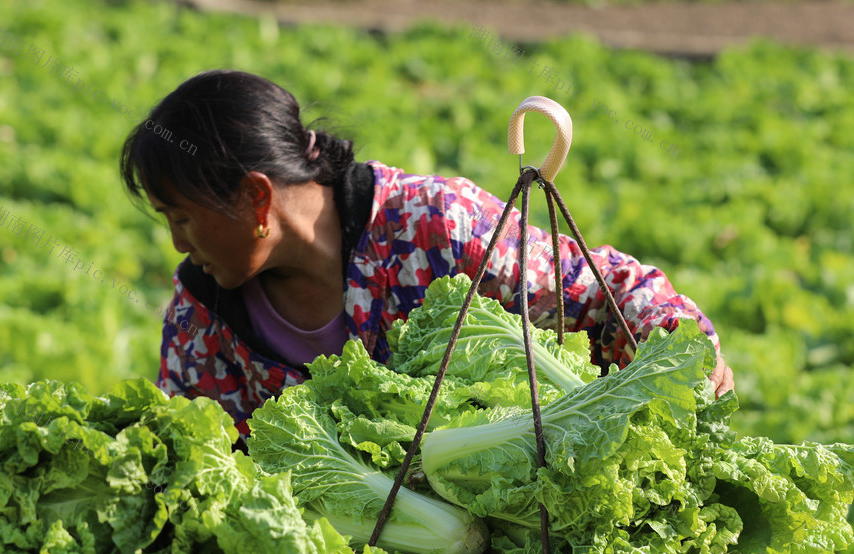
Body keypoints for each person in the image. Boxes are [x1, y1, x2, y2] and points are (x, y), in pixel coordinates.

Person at [120, 70, 733, 437]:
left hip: (523, 543)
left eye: (181, 217)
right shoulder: (202, 317)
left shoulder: (430, 228)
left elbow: (603, 291)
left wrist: (678, 350)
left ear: (256, 198)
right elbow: (202, 457)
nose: (177, 243)